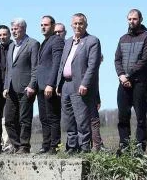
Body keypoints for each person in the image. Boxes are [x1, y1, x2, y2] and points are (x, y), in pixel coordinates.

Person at [56, 13, 101, 154]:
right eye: (75, 23)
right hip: (66, 85)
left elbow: (93, 66)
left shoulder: (92, 41)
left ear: (85, 25)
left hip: (80, 85)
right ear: (71, 25)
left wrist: (85, 83)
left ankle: (84, 147)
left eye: (80, 23)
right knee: (68, 119)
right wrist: (58, 83)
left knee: (82, 119)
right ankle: (71, 147)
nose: (77, 26)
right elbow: (62, 64)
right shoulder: (68, 42)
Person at [114, 9, 147, 153]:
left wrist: (128, 76)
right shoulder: (123, 38)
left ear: (141, 19)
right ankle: (124, 145)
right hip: (123, 82)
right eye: (130, 19)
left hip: (139, 82)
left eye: (135, 19)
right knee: (123, 116)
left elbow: (145, 60)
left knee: (140, 116)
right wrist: (121, 76)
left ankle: (139, 146)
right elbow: (117, 59)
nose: (132, 21)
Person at [3, 18, 40, 153]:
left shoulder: (33, 44)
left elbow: (35, 67)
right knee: (8, 120)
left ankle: (24, 146)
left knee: (24, 119)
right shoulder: (12, 46)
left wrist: (32, 85)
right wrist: (6, 86)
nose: (13, 31)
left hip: (26, 88)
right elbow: (8, 68)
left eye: (16, 29)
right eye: (12, 29)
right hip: (11, 89)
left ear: (23, 29)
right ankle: (16, 145)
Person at [36, 15, 65, 154]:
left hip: (49, 86)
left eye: (46, 25)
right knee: (43, 117)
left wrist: (51, 84)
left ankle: (54, 146)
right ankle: (46, 145)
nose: (43, 27)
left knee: (53, 117)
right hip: (41, 86)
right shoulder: (45, 42)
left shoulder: (57, 41)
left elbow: (56, 64)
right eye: (41, 25)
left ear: (53, 26)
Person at [0, 25, 13, 152]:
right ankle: (4, 145)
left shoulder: (14, 48)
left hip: (12, 88)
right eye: (0, 35)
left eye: (4, 34)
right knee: (1, 119)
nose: (2, 37)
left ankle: (11, 145)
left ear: (9, 35)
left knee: (10, 118)